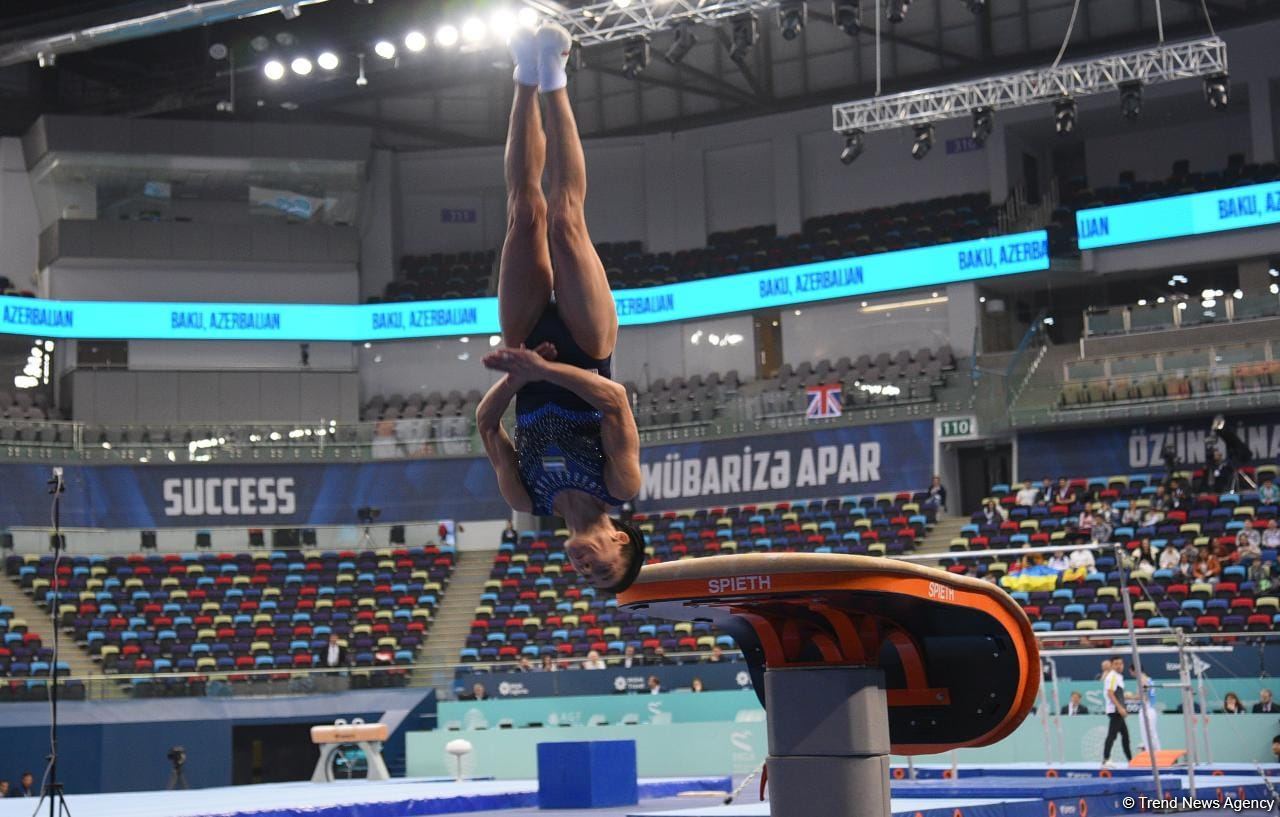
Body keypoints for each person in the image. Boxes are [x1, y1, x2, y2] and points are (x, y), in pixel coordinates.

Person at [477, 22, 646, 594]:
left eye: (584, 576)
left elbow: (484, 423)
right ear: (621, 539)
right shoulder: (619, 485)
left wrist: (515, 373)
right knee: (566, 219)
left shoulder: (527, 499)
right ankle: (556, 77)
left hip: (526, 348)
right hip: (587, 346)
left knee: (525, 212)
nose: (585, 566)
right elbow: (614, 398)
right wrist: (543, 371)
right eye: (602, 567)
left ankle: (524, 74)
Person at [1102, 658, 1131, 767]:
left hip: (1117, 709)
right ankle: (1106, 759)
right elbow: (1110, 693)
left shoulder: (1119, 677)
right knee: (1112, 735)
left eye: (1121, 663)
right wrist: (1120, 708)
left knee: (1125, 736)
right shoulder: (1113, 676)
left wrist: (1123, 706)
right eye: (1116, 664)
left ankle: (1130, 760)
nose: (1119, 666)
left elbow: (1118, 694)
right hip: (1114, 710)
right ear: (1112, 665)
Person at [1133, 669, 1160, 753]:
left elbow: (1143, 696)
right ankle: (1158, 753)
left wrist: (1130, 696)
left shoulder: (1142, 679)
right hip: (1151, 709)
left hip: (1146, 709)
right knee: (1152, 734)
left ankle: (1151, 754)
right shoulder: (1150, 679)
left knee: (1147, 735)